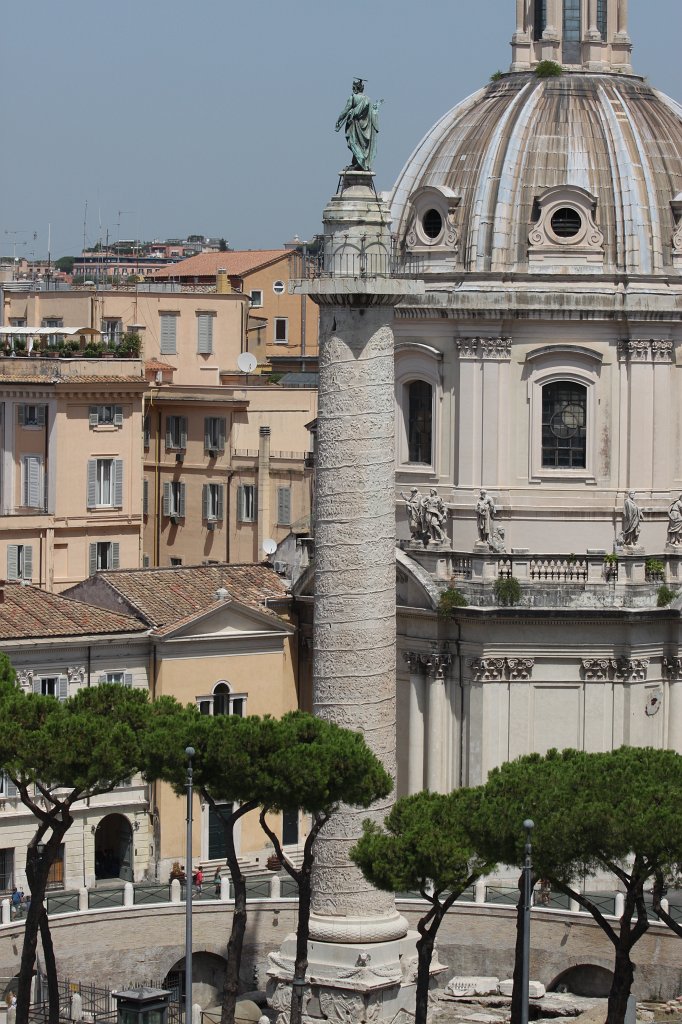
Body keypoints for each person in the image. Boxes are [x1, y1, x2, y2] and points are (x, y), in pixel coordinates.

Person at [335, 79, 381, 172]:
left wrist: (338, 120)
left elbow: (345, 111)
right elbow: (372, 114)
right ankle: (357, 163)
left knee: (353, 143)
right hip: (365, 127)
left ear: (355, 88)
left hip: (354, 126)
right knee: (360, 145)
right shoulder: (368, 99)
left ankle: (361, 161)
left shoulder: (353, 97)